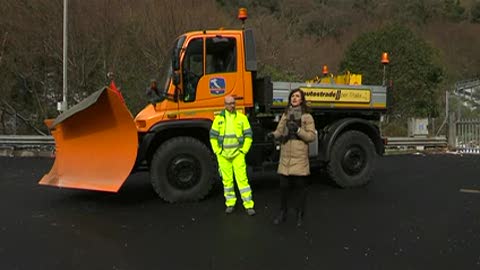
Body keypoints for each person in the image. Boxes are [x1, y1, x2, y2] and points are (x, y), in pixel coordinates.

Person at [268, 88, 316, 227]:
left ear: (301, 100)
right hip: (285, 157)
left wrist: (299, 130)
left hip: (299, 157)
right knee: (283, 188)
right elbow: (279, 131)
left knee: (300, 189)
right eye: (292, 96)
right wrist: (273, 135)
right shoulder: (285, 115)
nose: (294, 98)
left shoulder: (307, 117)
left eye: (297, 96)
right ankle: (283, 212)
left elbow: (311, 136)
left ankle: (300, 215)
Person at [210, 95, 256, 216]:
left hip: (238, 155)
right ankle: (230, 203)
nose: (232, 105)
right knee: (227, 181)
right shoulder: (218, 119)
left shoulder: (242, 118)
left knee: (242, 180)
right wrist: (218, 151)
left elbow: (248, 136)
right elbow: (213, 137)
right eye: (229, 103)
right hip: (223, 155)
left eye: (233, 103)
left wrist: (243, 151)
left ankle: (248, 205)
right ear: (224, 104)